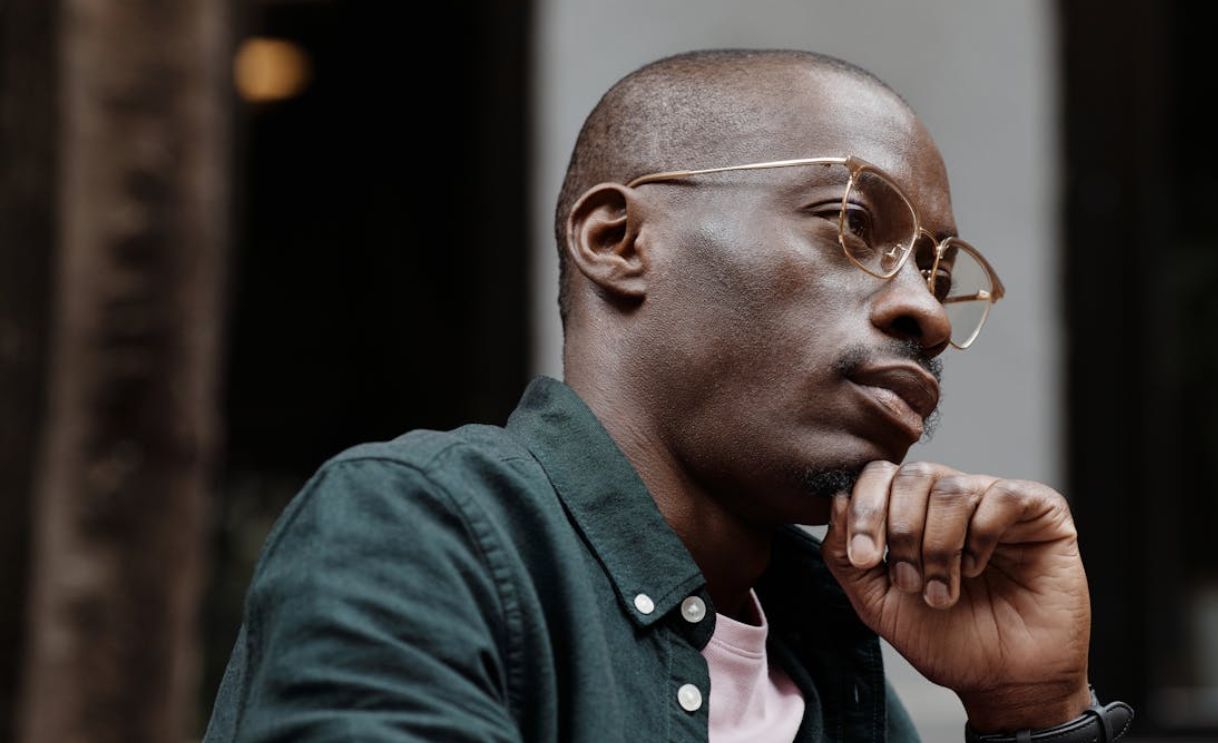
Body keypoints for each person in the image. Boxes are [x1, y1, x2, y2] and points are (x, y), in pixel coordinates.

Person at [203, 49, 1133, 742]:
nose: (922, 310)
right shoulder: (427, 531)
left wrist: (1029, 713)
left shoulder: (828, 651)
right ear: (616, 240)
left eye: (937, 273)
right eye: (852, 222)